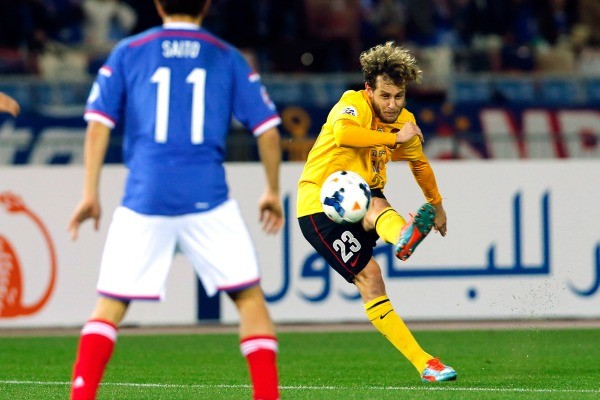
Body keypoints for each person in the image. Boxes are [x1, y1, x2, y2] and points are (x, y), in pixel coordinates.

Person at [67, 1, 283, 399]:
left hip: (144, 196)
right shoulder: (226, 56)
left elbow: (98, 125)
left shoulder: (129, 51)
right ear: (207, 5)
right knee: (250, 299)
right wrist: (271, 190)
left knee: (110, 305)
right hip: (208, 198)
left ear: (157, 3)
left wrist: (89, 193)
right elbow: (268, 131)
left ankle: (81, 395)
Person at [297, 41, 457, 383]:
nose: (392, 104)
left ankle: (403, 237)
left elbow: (419, 164)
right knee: (370, 276)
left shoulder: (405, 121)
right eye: (385, 96)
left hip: (362, 193)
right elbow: (343, 134)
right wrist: (393, 139)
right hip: (320, 201)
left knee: (373, 201)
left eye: (399, 96)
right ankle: (424, 361)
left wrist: (437, 205)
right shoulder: (353, 103)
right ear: (369, 90)